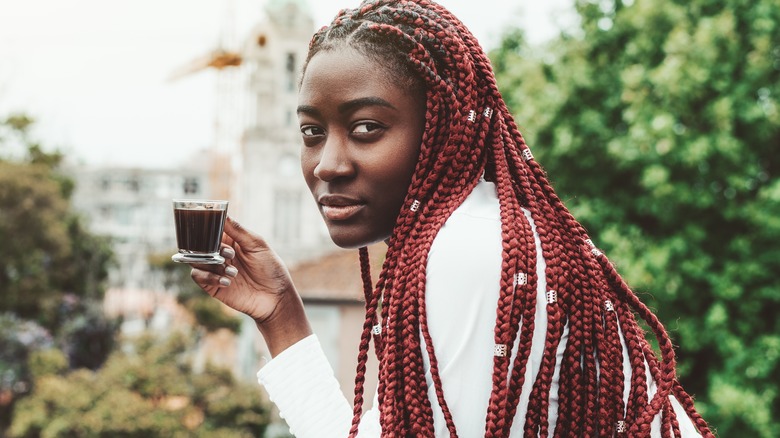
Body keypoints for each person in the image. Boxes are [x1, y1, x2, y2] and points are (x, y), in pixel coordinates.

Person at [190, 1, 714, 436]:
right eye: (311, 133)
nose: (328, 163)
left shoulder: (468, 251)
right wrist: (281, 314)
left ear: (442, 127)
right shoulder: (466, 236)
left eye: (367, 127)